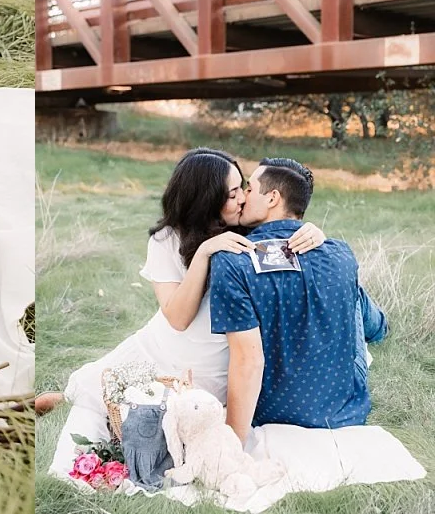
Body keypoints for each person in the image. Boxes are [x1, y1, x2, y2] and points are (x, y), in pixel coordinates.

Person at [43, 149, 325, 418]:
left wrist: (313, 232)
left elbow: (287, 226)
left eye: (243, 187)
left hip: (214, 364)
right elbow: (178, 319)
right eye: (232, 193)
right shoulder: (167, 239)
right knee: (87, 394)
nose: (242, 198)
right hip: (161, 349)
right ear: (207, 200)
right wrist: (203, 254)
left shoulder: (248, 228)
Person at [210, 157, 387, 441]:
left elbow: (248, 361)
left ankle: (379, 324)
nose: (243, 196)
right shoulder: (341, 253)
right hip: (343, 408)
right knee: (350, 290)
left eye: (250, 189)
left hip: (271, 410)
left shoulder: (230, 262)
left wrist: (232, 445)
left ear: (272, 198)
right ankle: (379, 326)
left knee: (347, 289)